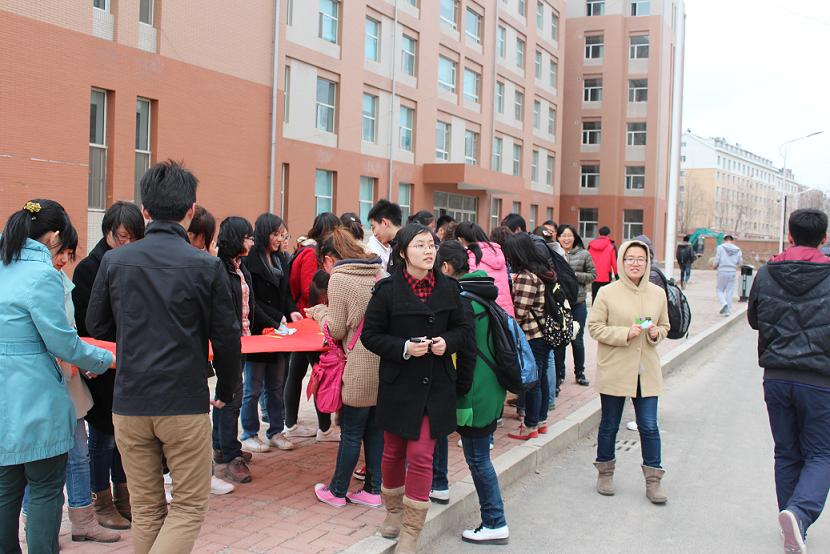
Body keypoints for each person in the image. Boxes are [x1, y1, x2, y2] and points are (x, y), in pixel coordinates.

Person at [85, 161, 242, 553]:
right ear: (191, 210)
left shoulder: (114, 261)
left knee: (147, 509)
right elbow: (227, 338)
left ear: (144, 211)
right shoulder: (206, 265)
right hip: (183, 401)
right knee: (188, 506)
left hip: (130, 401)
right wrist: (228, 389)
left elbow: (96, 324)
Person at [0, 200, 115, 553]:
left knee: (6, 489)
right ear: (54, 237)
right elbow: (62, 342)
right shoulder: (43, 276)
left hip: (5, 400)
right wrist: (105, 359)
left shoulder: (4, 267)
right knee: (46, 488)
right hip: (36, 400)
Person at [362, 223, 472, 554]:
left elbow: (464, 331)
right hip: (398, 384)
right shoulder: (387, 290)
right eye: (420, 245)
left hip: (436, 385)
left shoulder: (449, 288)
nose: (428, 251)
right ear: (402, 252)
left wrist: (447, 343)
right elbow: (371, 336)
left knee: (422, 454)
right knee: (393, 451)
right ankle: (394, 511)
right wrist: (405, 348)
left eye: (431, 245)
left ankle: (411, 529)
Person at [748, 209, 830, 554]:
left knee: (786, 452)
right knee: (821, 453)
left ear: (790, 235)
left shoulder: (767, 272)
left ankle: (794, 529)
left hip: (777, 377)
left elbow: (754, 319)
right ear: (824, 239)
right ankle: (799, 514)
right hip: (820, 380)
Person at [72, 200, 145, 530]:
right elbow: (87, 323)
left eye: (134, 238)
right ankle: (101, 500)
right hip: (101, 365)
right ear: (108, 233)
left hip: (130, 362)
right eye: (122, 237)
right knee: (103, 436)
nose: (127, 244)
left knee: (125, 435)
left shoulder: (135, 265)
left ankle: (123, 496)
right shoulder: (89, 268)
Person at [437, 241, 509, 545]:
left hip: (476, 392)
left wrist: (460, 396)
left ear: (446, 268)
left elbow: (466, 356)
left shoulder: (463, 301)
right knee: (480, 455)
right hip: (492, 386)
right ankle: (493, 519)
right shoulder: (483, 292)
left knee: (478, 459)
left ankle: (495, 521)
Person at [587, 240, 670, 504]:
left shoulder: (657, 293)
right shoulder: (607, 292)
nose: (635, 264)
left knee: (649, 425)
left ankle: (653, 480)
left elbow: (665, 325)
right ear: (621, 261)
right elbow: (595, 327)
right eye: (630, 259)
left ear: (648, 263)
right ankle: (605, 472)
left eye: (640, 259)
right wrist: (625, 333)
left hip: (646, 370)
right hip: (616, 367)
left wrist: (656, 333)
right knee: (610, 424)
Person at [308, 228, 385, 507]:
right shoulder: (378, 272)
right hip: (384, 362)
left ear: (329, 258)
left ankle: (337, 491)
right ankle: (373, 490)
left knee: (351, 432)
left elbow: (336, 329)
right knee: (374, 431)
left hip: (360, 365)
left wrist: (319, 312)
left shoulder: (340, 278)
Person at [213, 216, 269, 484]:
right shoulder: (219, 269)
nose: (252, 242)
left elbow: (249, 306)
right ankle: (229, 456)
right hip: (227, 344)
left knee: (228, 395)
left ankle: (221, 446)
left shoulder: (240, 267)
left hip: (244, 341)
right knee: (232, 396)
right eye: (248, 237)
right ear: (235, 239)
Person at [241, 214, 299, 454]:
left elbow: (286, 295)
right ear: (264, 233)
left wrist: (292, 311)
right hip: (258, 332)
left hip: (279, 332)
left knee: (276, 386)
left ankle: (276, 430)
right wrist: (275, 320)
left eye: (282, 234)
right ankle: (249, 433)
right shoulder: (250, 260)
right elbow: (252, 301)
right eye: (276, 234)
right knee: (252, 389)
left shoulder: (281, 259)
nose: (279, 239)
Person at [284, 212, 341, 441]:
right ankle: (324, 428)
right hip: (311, 321)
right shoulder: (311, 254)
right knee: (319, 372)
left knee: (296, 373)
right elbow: (310, 290)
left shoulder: (307, 250)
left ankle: (291, 424)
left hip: (306, 320)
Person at [503, 233, 554, 440]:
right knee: (541, 379)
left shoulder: (526, 277)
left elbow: (520, 312)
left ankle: (530, 426)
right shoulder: (540, 271)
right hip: (542, 334)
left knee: (533, 382)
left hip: (533, 336)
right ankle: (540, 422)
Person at [555, 224, 596, 387]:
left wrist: (573, 275)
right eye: (563, 235)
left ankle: (580, 373)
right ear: (558, 237)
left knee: (577, 340)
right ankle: (559, 374)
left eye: (569, 235)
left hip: (578, 302)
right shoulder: (554, 254)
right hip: (559, 302)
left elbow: (593, 275)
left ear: (574, 237)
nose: (566, 238)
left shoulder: (584, 254)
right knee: (560, 340)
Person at [456, 221, 515, 316]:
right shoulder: (497, 252)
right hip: (505, 313)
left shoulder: (471, 257)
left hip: (487, 313)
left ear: (460, 239)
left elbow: (469, 288)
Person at [367, 200, 403, 271]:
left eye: (374, 227)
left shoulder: (405, 245)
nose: (374, 234)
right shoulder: (395, 244)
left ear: (384, 223)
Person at [713, 234, 742, 316]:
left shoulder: (720, 248)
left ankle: (724, 304)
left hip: (722, 270)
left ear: (724, 239)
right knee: (729, 291)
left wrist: (714, 265)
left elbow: (717, 259)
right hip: (732, 271)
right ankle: (728, 311)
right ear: (732, 240)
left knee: (719, 290)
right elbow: (740, 262)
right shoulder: (738, 249)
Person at [588, 226, 618, 300]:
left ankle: (594, 307)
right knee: (606, 297)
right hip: (606, 276)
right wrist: (617, 276)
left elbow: (587, 259)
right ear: (608, 234)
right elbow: (614, 263)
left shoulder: (591, 245)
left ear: (599, 234)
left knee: (594, 296)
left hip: (594, 275)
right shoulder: (611, 246)